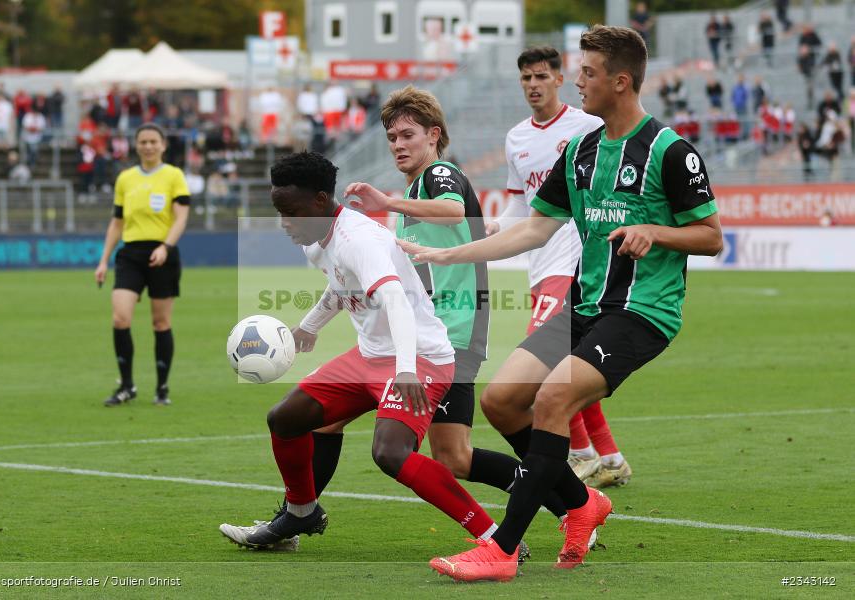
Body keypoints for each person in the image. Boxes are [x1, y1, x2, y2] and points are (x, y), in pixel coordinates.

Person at [405, 24, 722, 582]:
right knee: (502, 402)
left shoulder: (670, 151)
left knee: (552, 401)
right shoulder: (580, 151)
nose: (576, 81)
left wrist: (657, 231)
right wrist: (450, 256)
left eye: (588, 73)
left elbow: (712, 235)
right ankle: (582, 503)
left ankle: (502, 549)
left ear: (621, 82)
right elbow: (534, 230)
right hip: (586, 303)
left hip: (642, 312)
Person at [218, 151, 499, 549]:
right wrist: (309, 327)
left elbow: (397, 301)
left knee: (390, 453)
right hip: (369, 357)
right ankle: (300, 514)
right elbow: (341, 285)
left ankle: (494, 537)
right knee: (285, 418)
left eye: (291, 212)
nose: (284, 224)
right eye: (279, 212)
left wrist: (405, 371)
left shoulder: (358, 239)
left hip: (420, 357)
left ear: (319, 201)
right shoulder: (316, 239)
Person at [490, 46, 630, 488]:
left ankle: (580, 456)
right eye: (526, 79)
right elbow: (522, 204)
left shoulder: (589, 125)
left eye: (541, 77)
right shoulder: (516, 138)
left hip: (576, 261)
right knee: (571, 364)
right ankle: (610, 458)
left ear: (558, 78)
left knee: (550, 367)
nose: (533, 85)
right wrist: (494, 227)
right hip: (540, 263)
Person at [94, 124, 191, 407]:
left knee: (160, 323)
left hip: (163, 253)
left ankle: (162, 388)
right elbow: (117, 223)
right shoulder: (125, 178)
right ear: (136, 146)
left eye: (153, 141)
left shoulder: (174, 175)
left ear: (163, 145)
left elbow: (181, 218)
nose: (148, 146)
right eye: (143, 142)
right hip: (131, 255)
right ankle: (126, 386)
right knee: (120, 318)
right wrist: (103, 260)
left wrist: (166, 247)